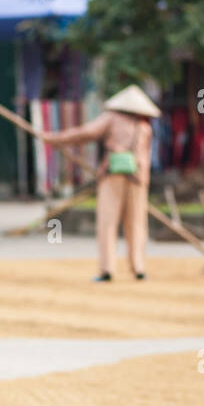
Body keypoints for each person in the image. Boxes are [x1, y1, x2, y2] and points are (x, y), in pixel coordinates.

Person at [42, 85, 160, 281]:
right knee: (137, 224)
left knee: (108, 223)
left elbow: (84, 133)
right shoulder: (144, 127)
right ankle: (139, 268)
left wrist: (55, 139)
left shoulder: (111, 119)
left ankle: (107, 270)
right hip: (138, 177)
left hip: (113, 174)